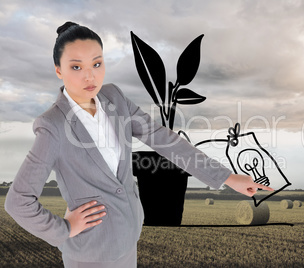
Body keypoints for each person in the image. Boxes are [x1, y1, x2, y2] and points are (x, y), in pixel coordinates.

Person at [4, 21, 273, 267]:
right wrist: (63, 230)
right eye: (77, 67)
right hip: (90, 253)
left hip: (128, 237)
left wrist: (226, 176)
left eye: (97, 64)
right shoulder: (52, 125)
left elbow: (165, 140)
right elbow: (18, 202)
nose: (90, 76)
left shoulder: (114, 97)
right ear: (58, 70)